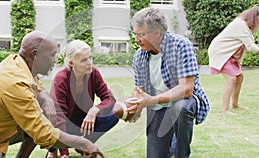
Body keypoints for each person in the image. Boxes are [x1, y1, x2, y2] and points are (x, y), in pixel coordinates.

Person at [0, 31, 105, 158]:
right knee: (38, 125)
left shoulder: (16, 63)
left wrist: (47, 100)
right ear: (36, 54)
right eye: (52, 55)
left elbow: (37, 87)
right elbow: (44, 134)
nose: (55, 60)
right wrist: (84, 143)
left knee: (39, 117)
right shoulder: (15, 84)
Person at [128, 7, 210, 158]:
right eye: (135, 34)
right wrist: (135, 109)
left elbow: (186, 89)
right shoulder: (139, 56)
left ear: (157, 32)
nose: (136, 39)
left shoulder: (181, 46)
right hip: (158, 109)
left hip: (183, 101)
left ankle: (181, 153)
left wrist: (152, 100)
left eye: (141, 35)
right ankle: (170, 143)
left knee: (180, 107)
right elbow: (139, 90)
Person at [45, 40, 119, 158]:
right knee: (51, 119)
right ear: (71, 63)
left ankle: (84, 146)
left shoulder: (93, 73)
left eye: (90, 57)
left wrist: (94, 110)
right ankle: (53, 149)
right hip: (61, 124)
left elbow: (109, 98)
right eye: (84, 60)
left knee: (114, 114)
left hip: (82, 123)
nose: (90, 62)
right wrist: (64, 153)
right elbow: (59, 117)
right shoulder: (61, 79)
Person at [208, 6, 259, 115]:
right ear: (255, 17)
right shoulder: (240, 25)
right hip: (220, 52)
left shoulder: (246, 27)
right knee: (231, 79)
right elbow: (251, 46)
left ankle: (235, 104)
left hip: (229, 55)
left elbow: (247, 45)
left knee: (239, 77)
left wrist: (239, 62)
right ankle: (225, 109)